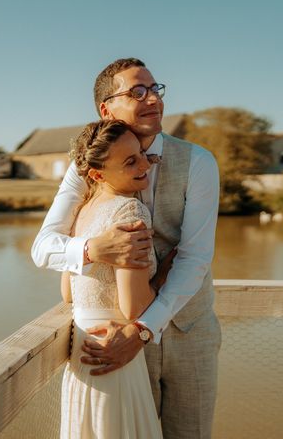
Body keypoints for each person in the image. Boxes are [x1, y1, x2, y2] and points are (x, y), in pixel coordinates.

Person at [32, 58, 221, 438]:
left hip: (188, 329)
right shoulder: (86, 166)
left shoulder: (198, 161)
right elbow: (43, 248)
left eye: (155, 89)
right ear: (106, 109)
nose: (153, 98)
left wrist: (144, 329)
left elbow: (195, 257)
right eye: (137, 92)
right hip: (113, 338)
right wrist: (94, 249)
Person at [59, 119, 163, 438]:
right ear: (97, 174)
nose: (145, 164)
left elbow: (67, 293)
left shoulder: (82, 211)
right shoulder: (130, 212)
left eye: (141, 154)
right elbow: (133, 309)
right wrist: (167, 274)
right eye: (130, 161)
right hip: (114, 352)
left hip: (81, 352)